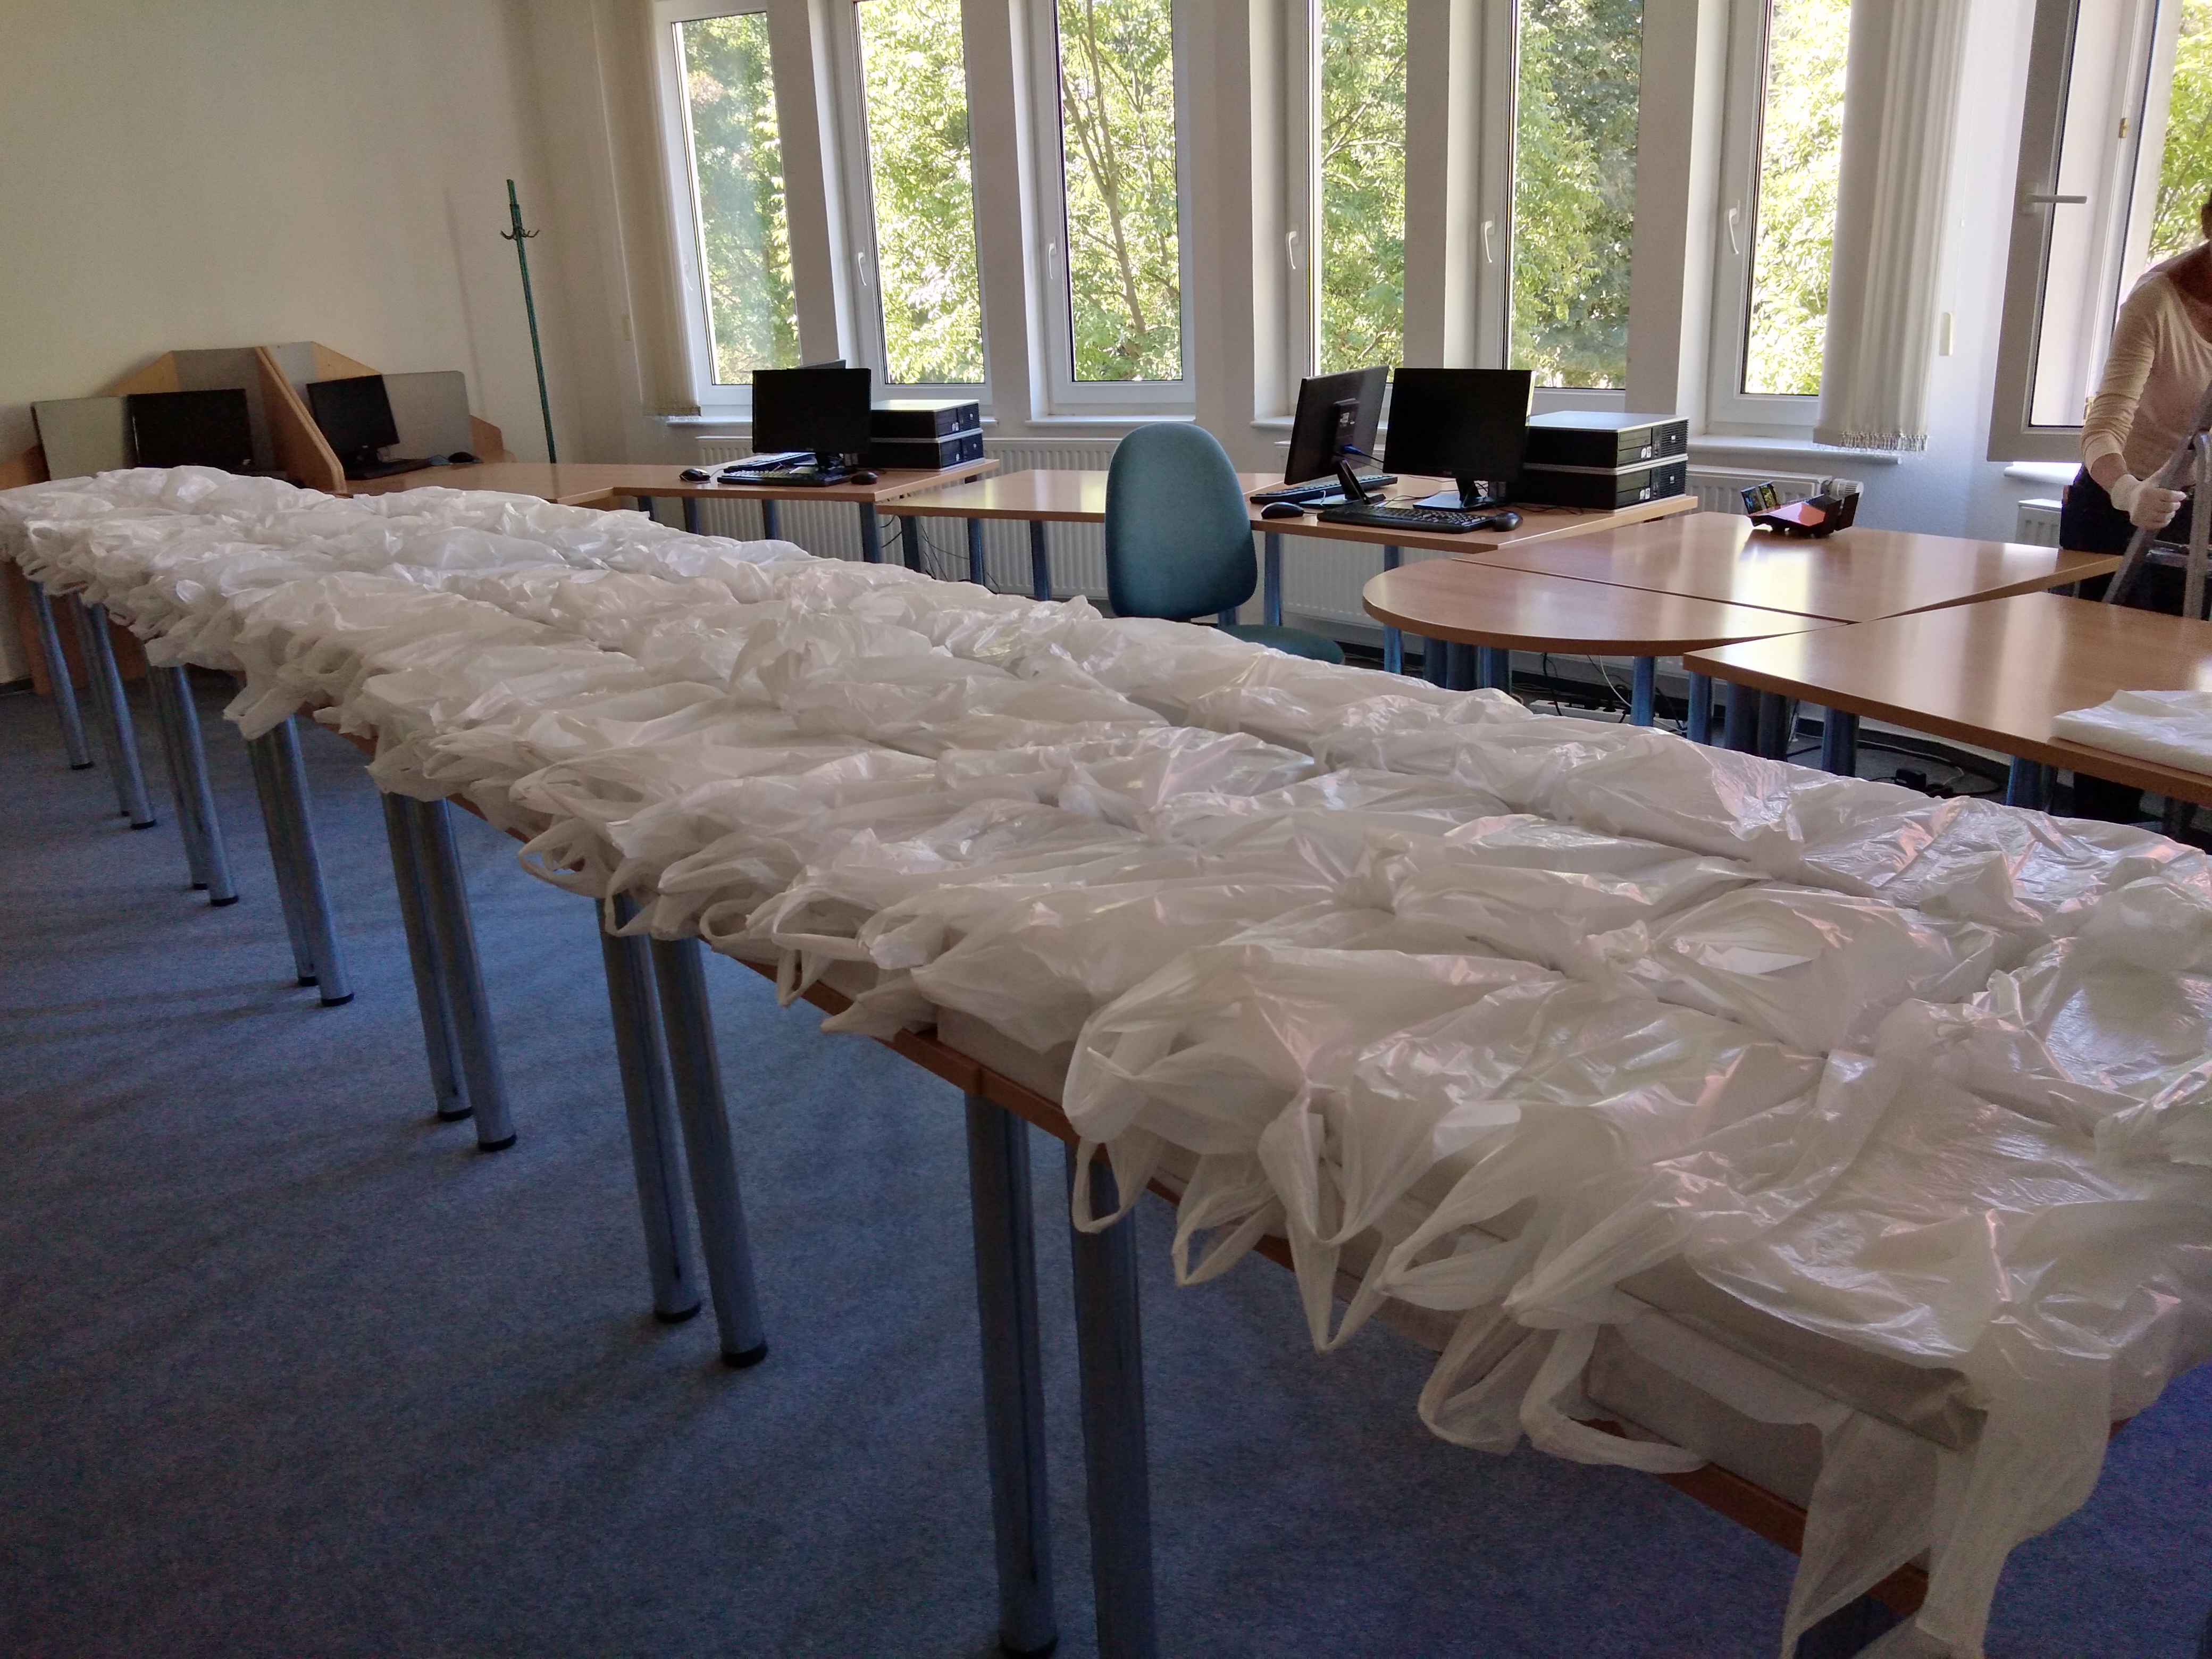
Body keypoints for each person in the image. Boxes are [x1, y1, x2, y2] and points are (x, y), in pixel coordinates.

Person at [2057, 191, 2212, 819]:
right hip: (2116, 499)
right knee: (2110, 681)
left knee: (2180, 678)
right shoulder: (2156, 302)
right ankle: (2098, 834)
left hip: (2193, 499)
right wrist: (2128, 492)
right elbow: (2103, 426)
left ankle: (2170, 842)